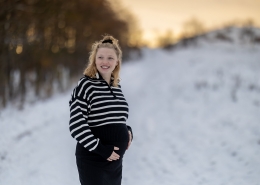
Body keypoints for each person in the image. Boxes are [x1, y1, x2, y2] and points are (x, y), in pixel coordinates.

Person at [69, 35, 133, 185]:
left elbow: (115, 117)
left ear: (117, 62)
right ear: (94, 60)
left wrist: (127, 130)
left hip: (114, 162)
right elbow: (76, 125)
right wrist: (102, 150)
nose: (105, 62)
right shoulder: (86, 85)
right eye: (101, 57)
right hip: (94, 159)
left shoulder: (116, 87)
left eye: (110, 58)